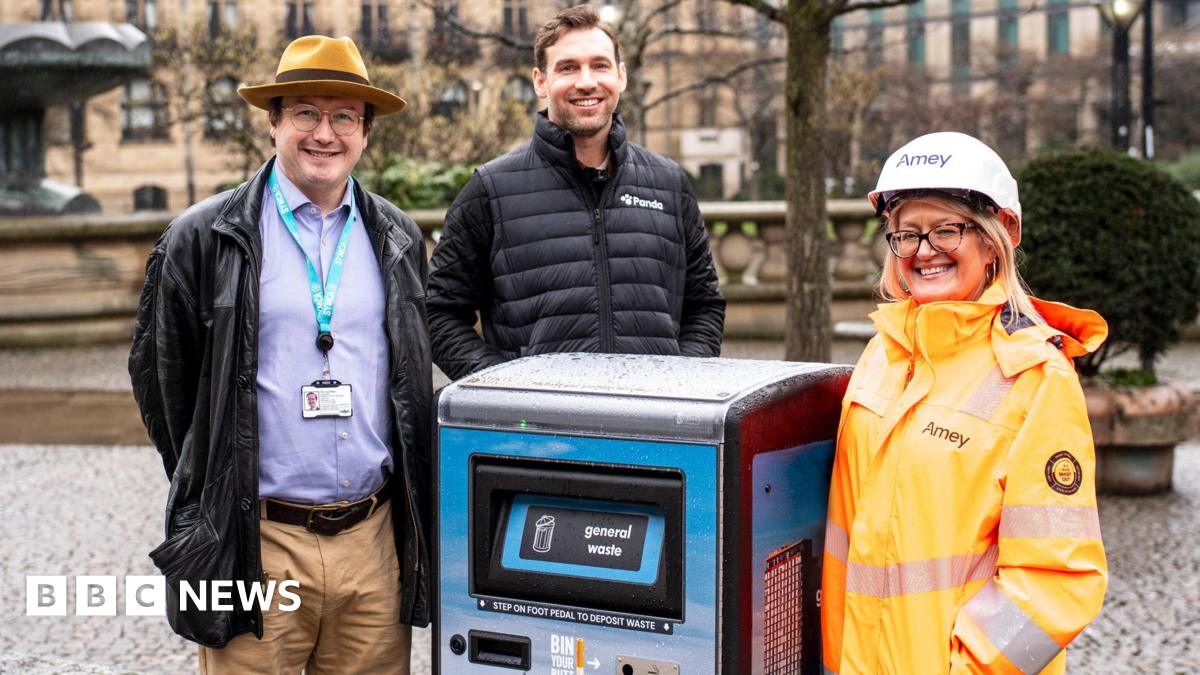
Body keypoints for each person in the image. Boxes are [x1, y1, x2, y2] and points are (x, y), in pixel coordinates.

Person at [128, 35, 432, 674]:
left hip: (372, 542)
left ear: (365, 132)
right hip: (256, 544)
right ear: (274, 123)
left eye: (343, 116)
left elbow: (407, 381)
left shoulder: (399, 236)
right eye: (306, 114)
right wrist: (215, 493)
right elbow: (163, 383)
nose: (325, 133)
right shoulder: (205, 236)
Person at [821, 131, 1108, 674]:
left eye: (945, 229)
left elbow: (1058, 579)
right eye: (906, 234)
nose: (923, 251)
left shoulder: (1035, 377)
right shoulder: (882, 355)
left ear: (994, 240)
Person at [426, 4, 725, 380]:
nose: (586, 82)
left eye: (599, 66)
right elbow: (439, 312)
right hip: (543, 433)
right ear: (540, 81)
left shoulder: (669, 184)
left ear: (621, 76)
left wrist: (682, 379)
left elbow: (705, 306)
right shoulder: (491, 188)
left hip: (656, 428)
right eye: (568, 67)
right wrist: (501, 388)